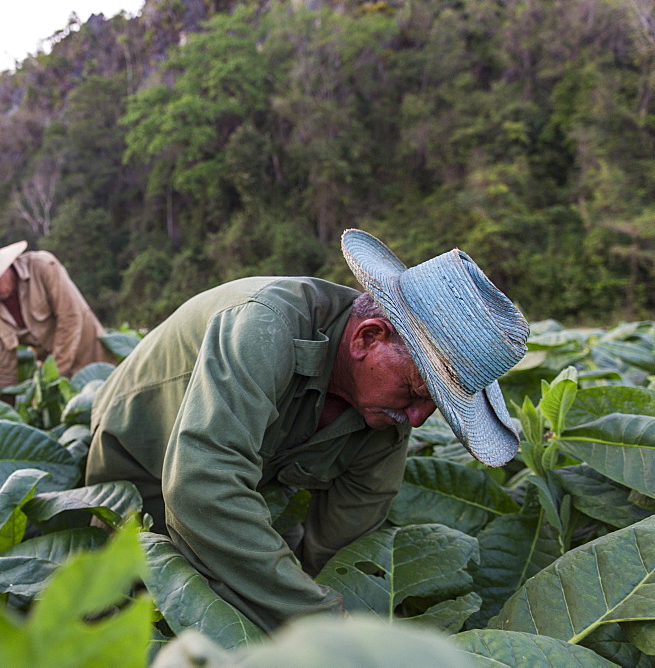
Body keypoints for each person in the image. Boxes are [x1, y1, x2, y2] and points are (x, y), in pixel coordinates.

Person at [85, 228, 529, 633]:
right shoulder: (266, 325)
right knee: (127, 609)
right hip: (139, 450)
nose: (416, 419)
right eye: (416, 392)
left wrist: (341, 620)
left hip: (243, 476)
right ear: (368, 337)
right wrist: (322, 624)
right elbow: (199, 489)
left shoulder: (384, 419)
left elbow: (343, 550)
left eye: (435, 405)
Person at [0, 233, 115, 391]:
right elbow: (4, 371)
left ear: (3, 268)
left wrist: (52, 375)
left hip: (95, 360)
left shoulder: (43, 268)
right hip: (53, 379)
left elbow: (70, 318)